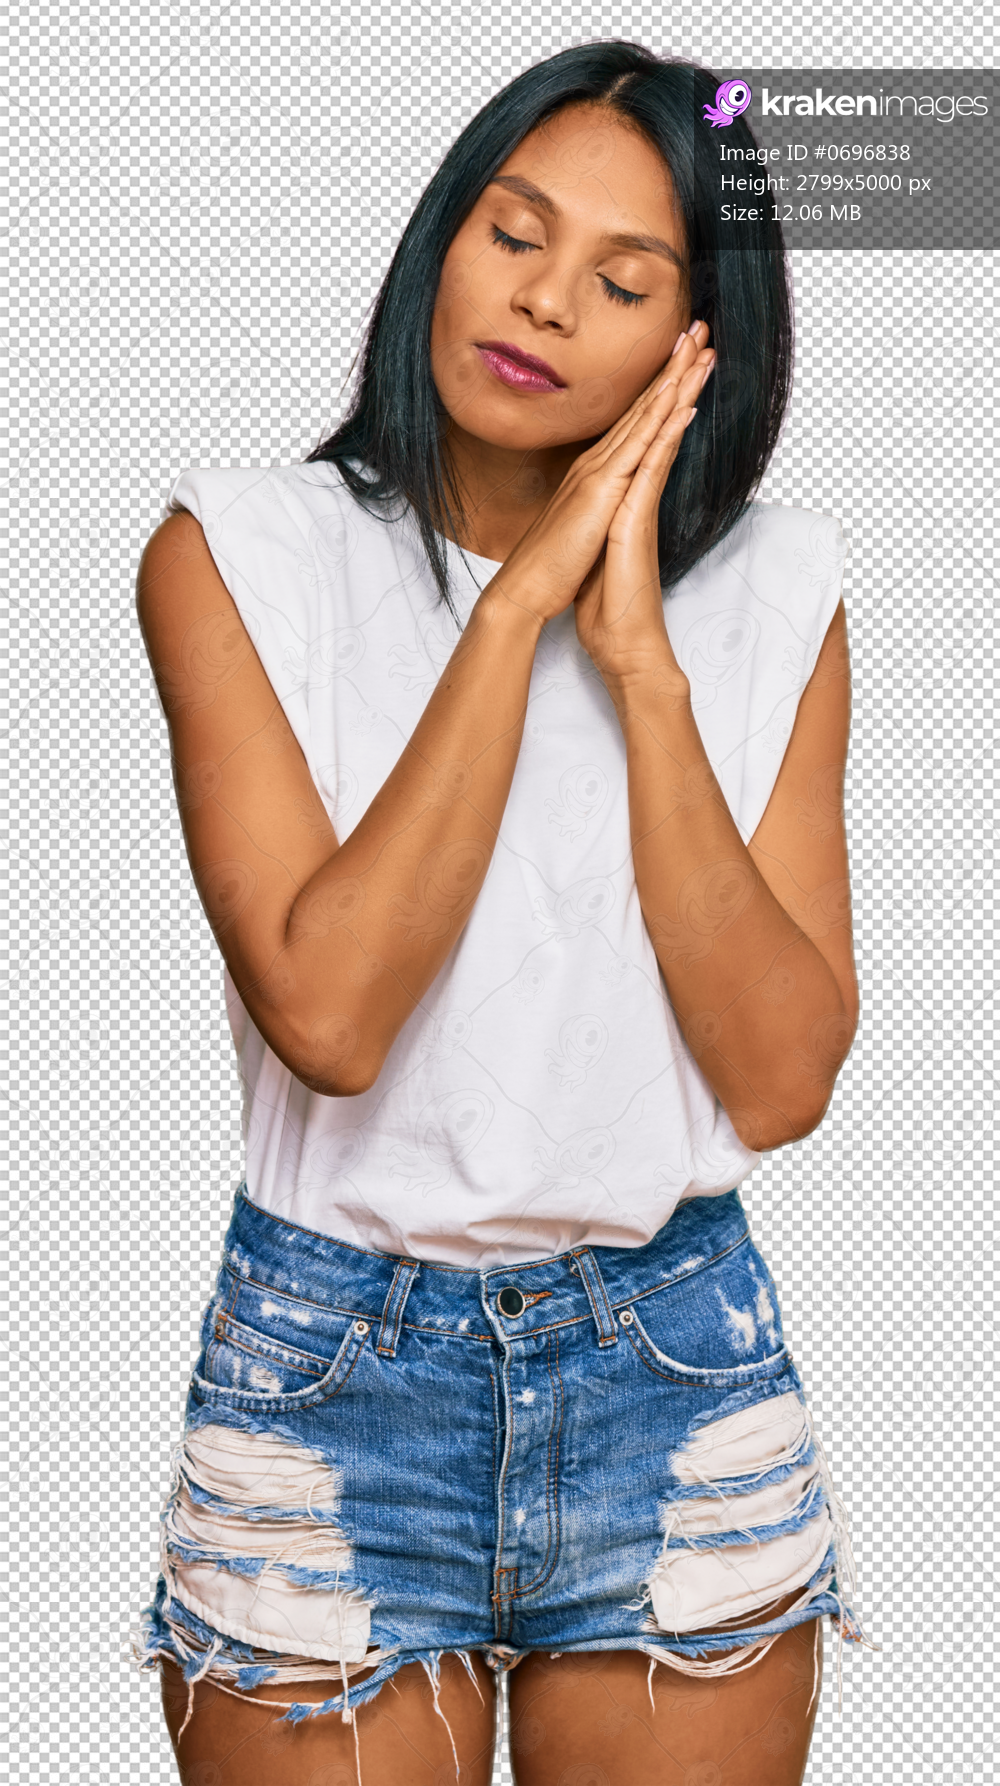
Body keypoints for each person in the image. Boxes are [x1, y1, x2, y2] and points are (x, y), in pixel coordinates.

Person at [130, 40, 869, 1786]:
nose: (540, 300)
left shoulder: (783, 587)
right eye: (510, 233)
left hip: (671, 1370)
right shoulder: (240, 553)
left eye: (621, 280)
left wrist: (638, 667)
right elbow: (330, 1011)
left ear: (702, 346)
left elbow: (778, 1079)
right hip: (334, 1381)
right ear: (439, 239)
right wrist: (513, 612)